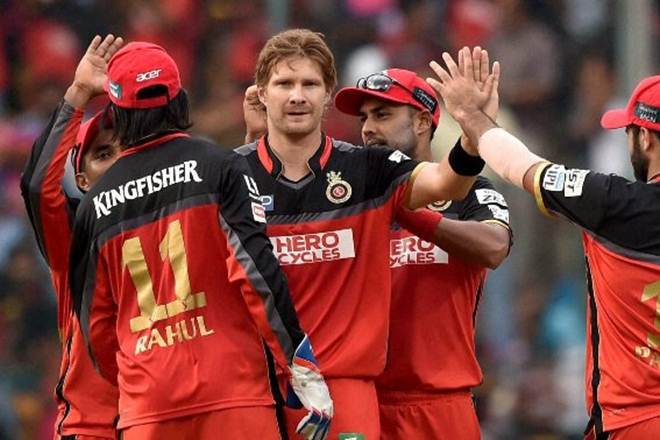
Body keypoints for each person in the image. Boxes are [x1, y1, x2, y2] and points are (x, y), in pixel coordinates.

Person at [68, 41, 332, 440]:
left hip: (148, 409)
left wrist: (138, 381)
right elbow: (256, 274)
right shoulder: (220, 166)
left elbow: (96, 328)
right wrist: (298, 363)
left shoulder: (93, 207)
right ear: (180, 100)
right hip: (233, 393)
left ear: (117, 114)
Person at [236, 28, 490, 439]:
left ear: (327, 93)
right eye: (284, 84)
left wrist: (473, 128)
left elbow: (448, 183)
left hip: (345, 390)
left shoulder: (369, 169)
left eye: (309, 84)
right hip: (258, 391)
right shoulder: (230, 175)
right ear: (262, 93)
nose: (297, 96)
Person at [429, 47, 660, 439]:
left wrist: (471, 116)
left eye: (628, 132)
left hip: (634, 422)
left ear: (645, 138)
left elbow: (518, 165)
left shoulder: (612, 202)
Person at [332, 61, 511, 440]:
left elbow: (494, 247)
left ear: (421, 122)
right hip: (362, 400)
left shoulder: (472, 192)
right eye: (364, 118)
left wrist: (413, 215)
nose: (367, 128)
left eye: (382, 114)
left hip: (442, 404)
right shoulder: (351, 200)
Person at [21, 34, 123, 440]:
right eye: (103, 154)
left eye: (126, 150)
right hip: (94, 428)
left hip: (165, 421)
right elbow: (38, 188)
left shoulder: (178, 222)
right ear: (81, 180)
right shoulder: (73, 243)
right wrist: (78, 94)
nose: (118, 162)